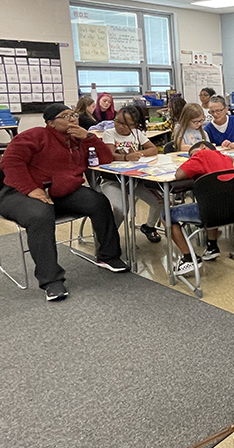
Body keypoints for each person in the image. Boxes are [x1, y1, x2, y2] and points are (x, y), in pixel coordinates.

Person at [0, 104, 127, 301]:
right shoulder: (35, 135)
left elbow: (104, 160)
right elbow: (10, 162)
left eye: (73, 115)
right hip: (19, 193)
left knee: (98, 202)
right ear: (50, 123)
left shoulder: (79, 139)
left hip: (61, 192)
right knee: (40, 216)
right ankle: (51, 280)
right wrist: (32, 189)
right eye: (65, 116)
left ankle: (108, 256)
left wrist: (90, 138)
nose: (72, 119)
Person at [164, 141, 234, 275]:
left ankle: (188, 257)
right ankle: (212, 246)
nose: (191, 158)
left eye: (191, 155)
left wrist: (191, 163)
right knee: (211, 200)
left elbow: (179, 175)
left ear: (202, 147)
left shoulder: (202, 155)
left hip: (210, 211)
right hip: (232, 209)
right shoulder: (227, 158)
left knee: (165, 214)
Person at [101, 105, 163, 243]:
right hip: (114, 180)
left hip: (135, 180)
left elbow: (153, 149)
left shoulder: (137, 133)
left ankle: (149, 227)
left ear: (134, 125)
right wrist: (125, 157)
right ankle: (109, 237)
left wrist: (139, 154)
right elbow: (109, 154)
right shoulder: (110, 133)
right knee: (121, 207)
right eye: (117, 121)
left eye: (126, 124)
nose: (120, 126)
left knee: (159, 201)